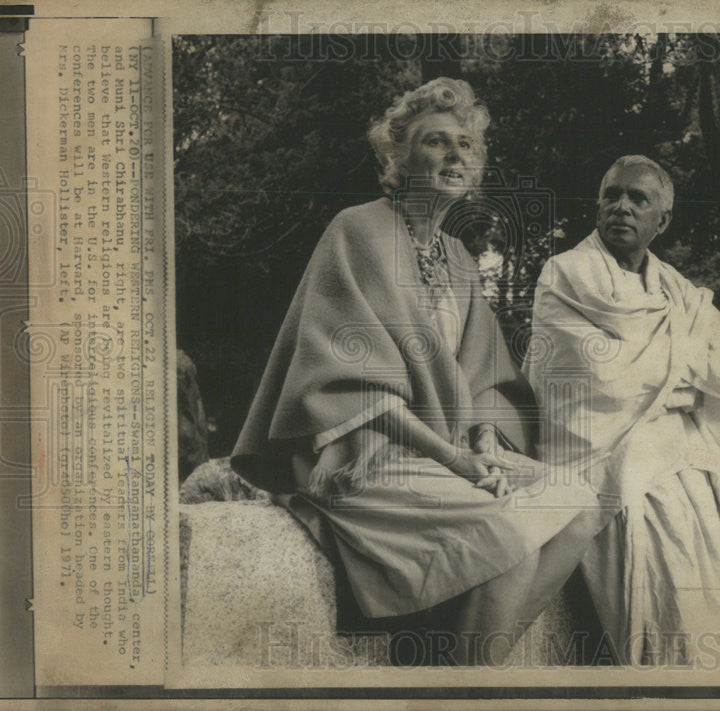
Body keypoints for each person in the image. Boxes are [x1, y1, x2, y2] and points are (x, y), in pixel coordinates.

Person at [230, 78, 610, 666]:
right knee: (509, 536)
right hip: (363, 450)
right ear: (398, 157)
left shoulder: (458, 258)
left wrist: (482, 440)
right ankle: (458, 685)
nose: (456, 154)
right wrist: (457, 460)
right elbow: (345, 383)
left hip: (443, 447)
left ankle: (445, 662)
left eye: (466, 144)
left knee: (581, 507)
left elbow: (484, 376)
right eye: (436, 142)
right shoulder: (357, 229)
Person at [523, 155, 720, 665]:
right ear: (598, 203)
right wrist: (684, 385)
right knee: (645, 524)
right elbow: (593, 378)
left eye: (638, 199)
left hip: (671, 451)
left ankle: (703, 682)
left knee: (700, 562)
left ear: (662, 220)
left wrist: (672, 386)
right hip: (590, 450)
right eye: (612, 195)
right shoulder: (564, 274)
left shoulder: (679, 291)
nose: (622, 207)